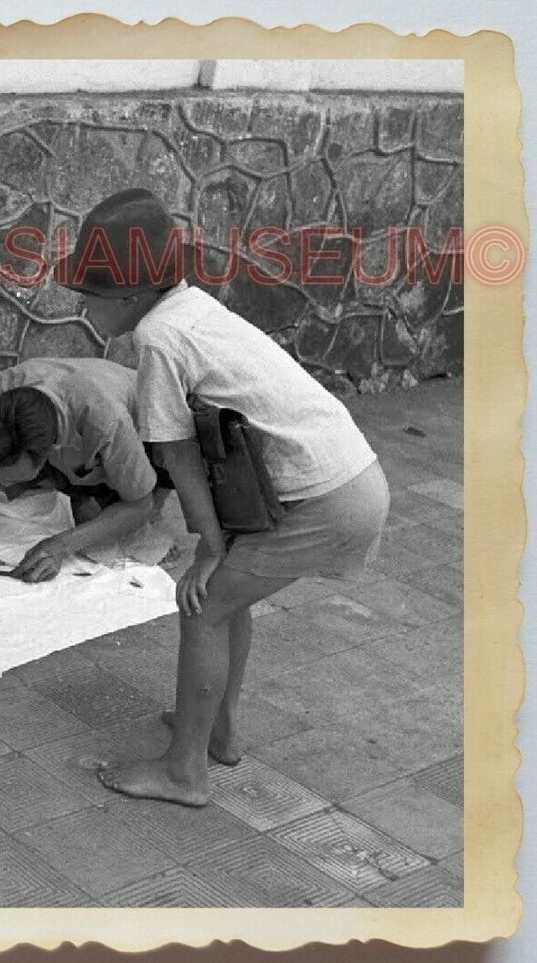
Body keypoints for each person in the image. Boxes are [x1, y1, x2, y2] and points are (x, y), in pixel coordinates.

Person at [56, 188, 389, 806]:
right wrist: (218, 543)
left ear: (129, 295)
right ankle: (219, 732)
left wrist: (209, 545)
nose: (82, 307)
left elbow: (177, 453)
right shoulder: (187, 307)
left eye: (88, 295)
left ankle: (185, 772)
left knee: (202, 605)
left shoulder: (158, 339)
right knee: (226, 601)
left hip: (324, 497)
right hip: (335, 477)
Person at [0, 357, 174, 582]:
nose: (5, 486)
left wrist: (62, 545)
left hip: (150, 423)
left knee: (124, 534)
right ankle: (81, 494)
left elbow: (141, 505)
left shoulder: (106, 422)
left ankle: (89, 493)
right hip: (71, 427)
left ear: (50, 453)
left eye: (14, 479)